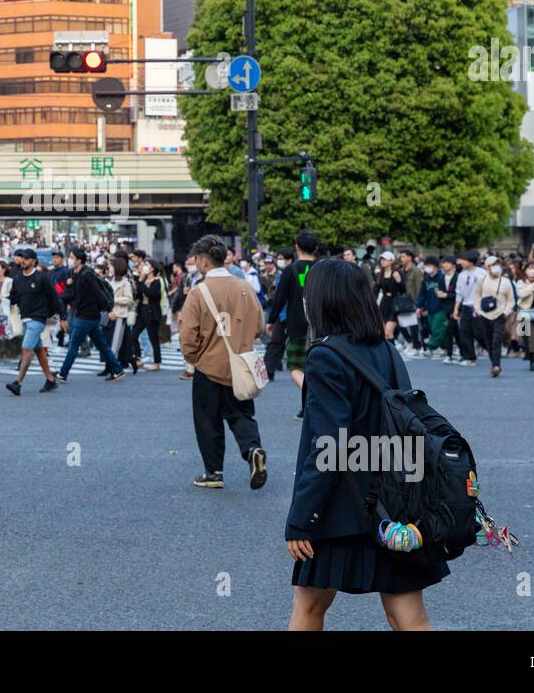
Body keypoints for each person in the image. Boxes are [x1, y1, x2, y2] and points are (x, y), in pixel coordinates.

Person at [285, 257, 446, 631]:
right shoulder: (385, 350)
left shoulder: (326, 355)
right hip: (395, 498)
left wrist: (301, 518)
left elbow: (329, 446)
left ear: (325, 301)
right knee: (408, 616)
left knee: (309, 608)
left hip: (343, 505)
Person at [178, 235, 267, 491]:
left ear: (204, 261)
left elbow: (187, 335)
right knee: (241, 414)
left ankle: (213, 471)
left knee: (207, 419)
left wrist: (193, 357)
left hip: (209, 365)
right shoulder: (244, 287)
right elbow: (259, 326)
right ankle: (252, 450)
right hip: (240, 363)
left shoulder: (199, 292)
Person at [56, 247, 124, 384]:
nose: (69, 260)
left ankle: (63, 374)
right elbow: (70, 294)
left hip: (86, 316)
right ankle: (118, 370)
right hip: (88, 316)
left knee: (74, 345)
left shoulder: (87, 274)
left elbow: (99, 293)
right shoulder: (74, 273)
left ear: (79, 260)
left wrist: (108, 309)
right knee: (102, 345)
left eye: (72, 257)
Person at [266, 232, 318, 403]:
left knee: (296, 367)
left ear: (297, 247)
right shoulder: (323, 267)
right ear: (315, 248)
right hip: (322, 325)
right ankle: (314, 400)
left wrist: (271, 320)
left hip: (297, 324)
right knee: (318, 366)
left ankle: (312, 398)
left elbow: (279, 298)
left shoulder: (291, 269)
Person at [4, 248, 63, 396]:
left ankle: (18, 383)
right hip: (24, 318)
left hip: (38, 319)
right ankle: (50, 380)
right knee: (38, 350)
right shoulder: (17, 279)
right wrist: (2, 300)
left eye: (26, 258)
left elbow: (54, 297)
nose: (23, 261)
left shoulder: (41, 278)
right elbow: (14, 298)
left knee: (27, 349)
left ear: (33, 261)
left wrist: (63, 317)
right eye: (21, 258)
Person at [474, 255, 515, 378]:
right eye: (493, 265)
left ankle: (496, 365)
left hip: (499, 315)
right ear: (487, 267)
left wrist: (505, 312)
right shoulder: (482, 280)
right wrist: (478, 310)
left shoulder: (506, 282)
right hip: (485, 315)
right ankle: (493, 363)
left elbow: (511, 300)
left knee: (496, 340)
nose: (496, 267)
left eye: (498, 264)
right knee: (488, 341)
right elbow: (477, 296)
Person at [452, 250, 486, 366]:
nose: (461, 262)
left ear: (471, 262)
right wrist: (456, 309)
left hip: (478, 306)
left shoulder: (482, 273)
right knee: (464, 331)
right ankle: (469, 356)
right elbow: (459, 293)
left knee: (479, 332)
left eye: (464, 260)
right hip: (466, 306)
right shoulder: (461, 275)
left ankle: (491, 349)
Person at [131, 259, 166, 371]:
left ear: (152, 268)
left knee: (153, 338)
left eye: (146, 265)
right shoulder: (143, 280)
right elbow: (139, 296)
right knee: (133, 335)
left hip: (152, 312)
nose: (144, 266)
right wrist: (137, 284)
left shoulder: (157, 281)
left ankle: (157, 362)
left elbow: (151, 294)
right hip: (142, 311)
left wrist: (141, 283)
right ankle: (138, 358)